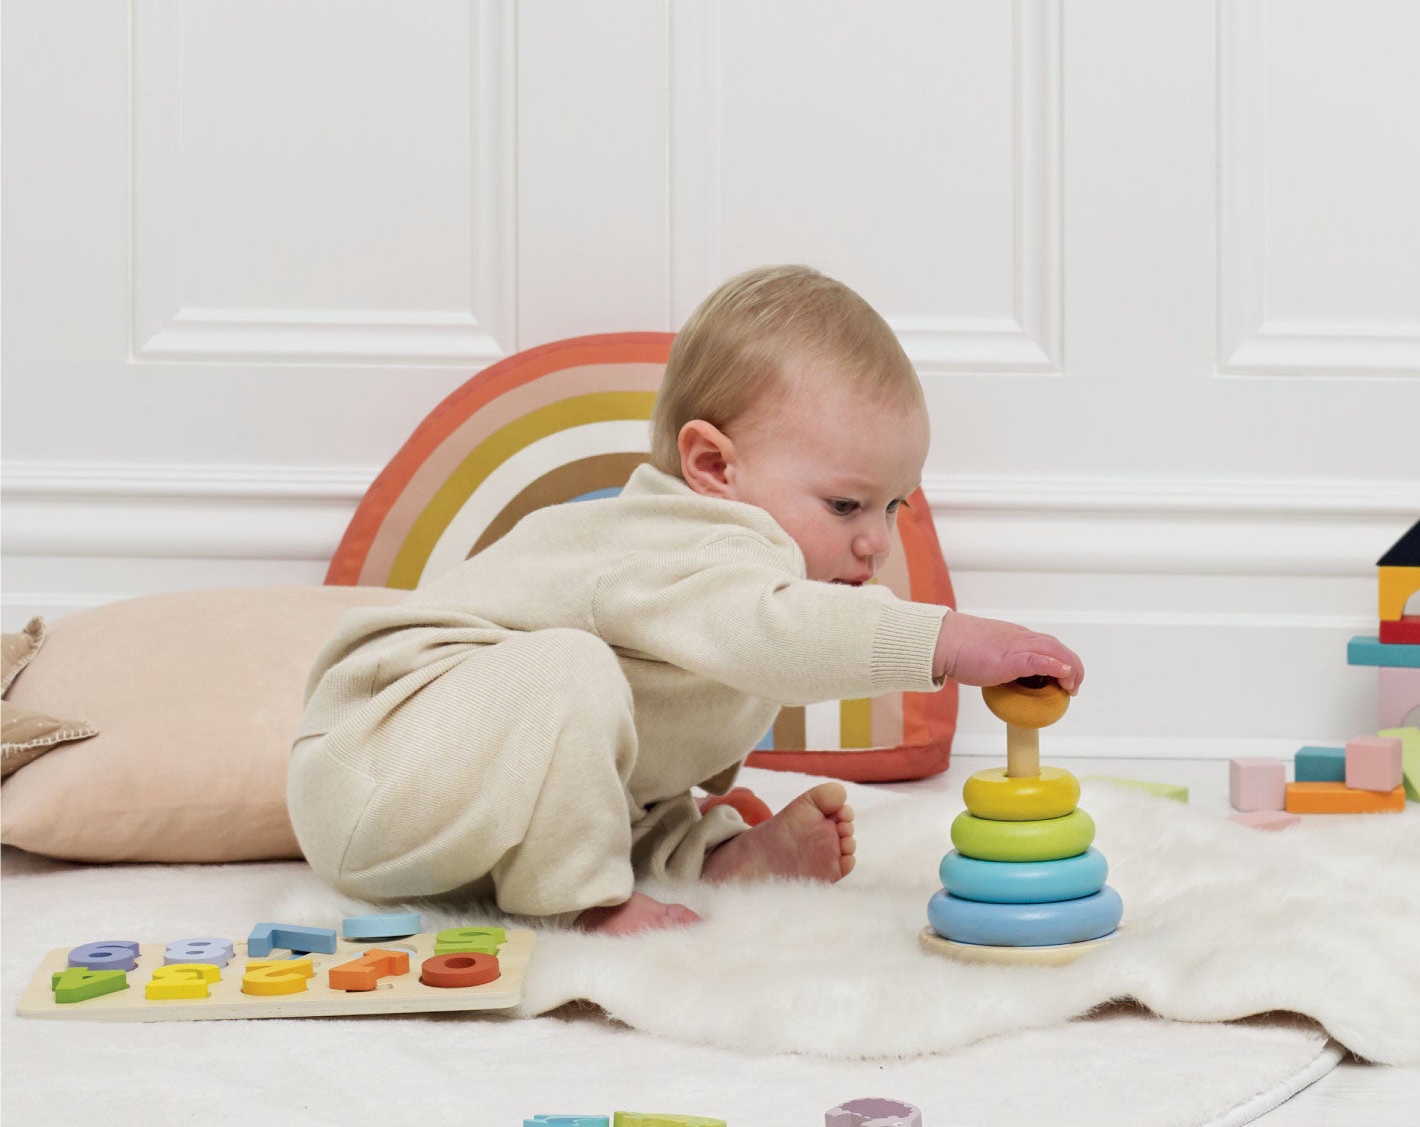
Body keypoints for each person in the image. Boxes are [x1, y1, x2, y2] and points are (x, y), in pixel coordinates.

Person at [287, 265, 1084, 936]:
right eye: (846, 506)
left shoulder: (730, 585)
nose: (876, 541)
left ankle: (706, 859)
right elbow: (774, 633)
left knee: (620, 772)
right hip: (382, 756)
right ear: (713, 466)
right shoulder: (683, 540)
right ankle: (587, 908)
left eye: (894, 507)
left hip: (462, 808)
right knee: (570, 671)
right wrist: (945, 642)